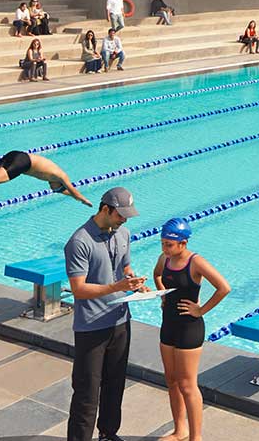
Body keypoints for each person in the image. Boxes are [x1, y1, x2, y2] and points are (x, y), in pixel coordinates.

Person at [65, 187, 144, 441]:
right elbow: (78, 289)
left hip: (121, 321)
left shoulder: (124, 233)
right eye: (120, 214)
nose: (124, 219)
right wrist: (115, 287)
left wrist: (133, 280)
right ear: (105, 209)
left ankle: (108, 434)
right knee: (87, 392)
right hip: (92, 327)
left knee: (115, 385)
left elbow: (125, 266)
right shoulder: (80, 241)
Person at [152, 218, 231, 441]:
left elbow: (224, 288)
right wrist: (162, 294)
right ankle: (180, 431)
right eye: (163, 243)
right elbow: (157, 274)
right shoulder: (164, 259)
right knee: (171, 380)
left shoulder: (195, 263)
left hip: (189, 327)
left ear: (183, 243)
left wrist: (201, 309)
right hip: (168, 325)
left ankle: (196, 438)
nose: (165, 248)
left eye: (169, 244)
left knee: (187, 385)